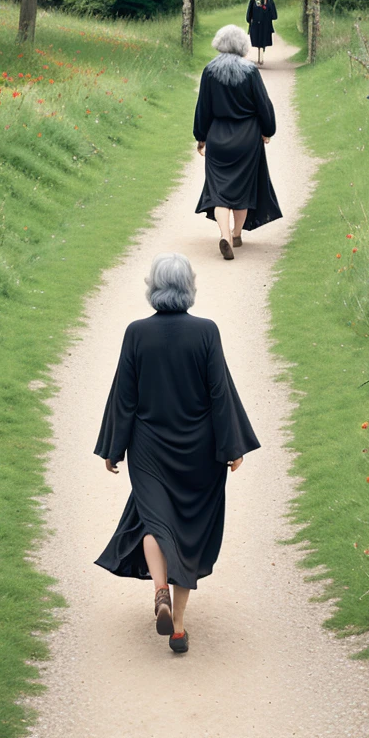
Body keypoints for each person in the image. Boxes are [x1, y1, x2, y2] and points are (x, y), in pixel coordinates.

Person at [94, 253, 260, 654]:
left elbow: (124, 397)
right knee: (190, 532)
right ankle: (180, 627)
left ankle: (159, 591)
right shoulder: (206, 332)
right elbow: (220, 393)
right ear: (189, 287)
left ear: (153, 287)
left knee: (154, 522)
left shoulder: (136, 333)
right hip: (199, 452)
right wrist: (233, 446)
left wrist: (113, 448)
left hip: (149, 448)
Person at [193, 24, 281, 260]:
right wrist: (267, 130)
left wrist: (201, 137)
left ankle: (224, 235)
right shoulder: (250, 71)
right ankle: (237, 232)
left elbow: (203, 108)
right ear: (243, 45)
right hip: (247, 138)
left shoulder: (209, 71)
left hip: (218, 136)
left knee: (219, 190)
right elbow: (264, 104)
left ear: (219, 43)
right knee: (243, 187)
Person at [246, 0, 277, 65]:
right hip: (256, 22)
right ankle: (260, 57)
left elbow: (272, 9)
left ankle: (261, 57)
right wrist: (249, 19)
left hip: (265, 22)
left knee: (263, 40)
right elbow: (250, 9)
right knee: (258, 40)